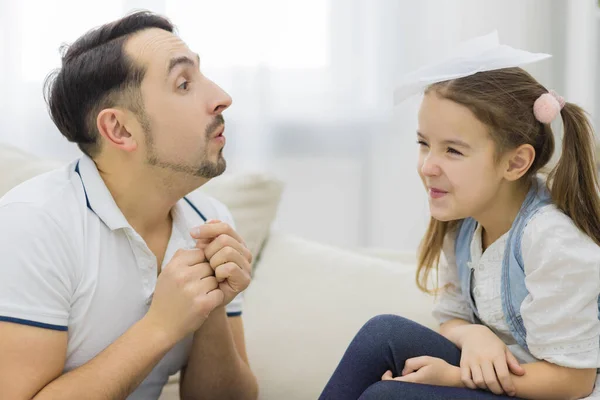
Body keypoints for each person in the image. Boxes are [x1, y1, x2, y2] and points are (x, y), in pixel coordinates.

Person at [319, 38, 600, 399]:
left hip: (553, 392)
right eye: (424, 143)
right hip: (504, 380)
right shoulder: (464, 222)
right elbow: (450, 317)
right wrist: (474, 335)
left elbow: (573, 382)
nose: (427, 166)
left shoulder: (551, 240)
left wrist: (455, 378)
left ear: (515, 163)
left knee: (386, 396)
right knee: (382, 333)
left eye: (452, 150)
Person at [0, 11, 258, 400]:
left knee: (384, 346)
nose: (222, 98)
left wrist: (211, 305)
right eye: (185, 84)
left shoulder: (210, 220)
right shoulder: (33, 224)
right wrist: (161, 327)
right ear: (119, 129)